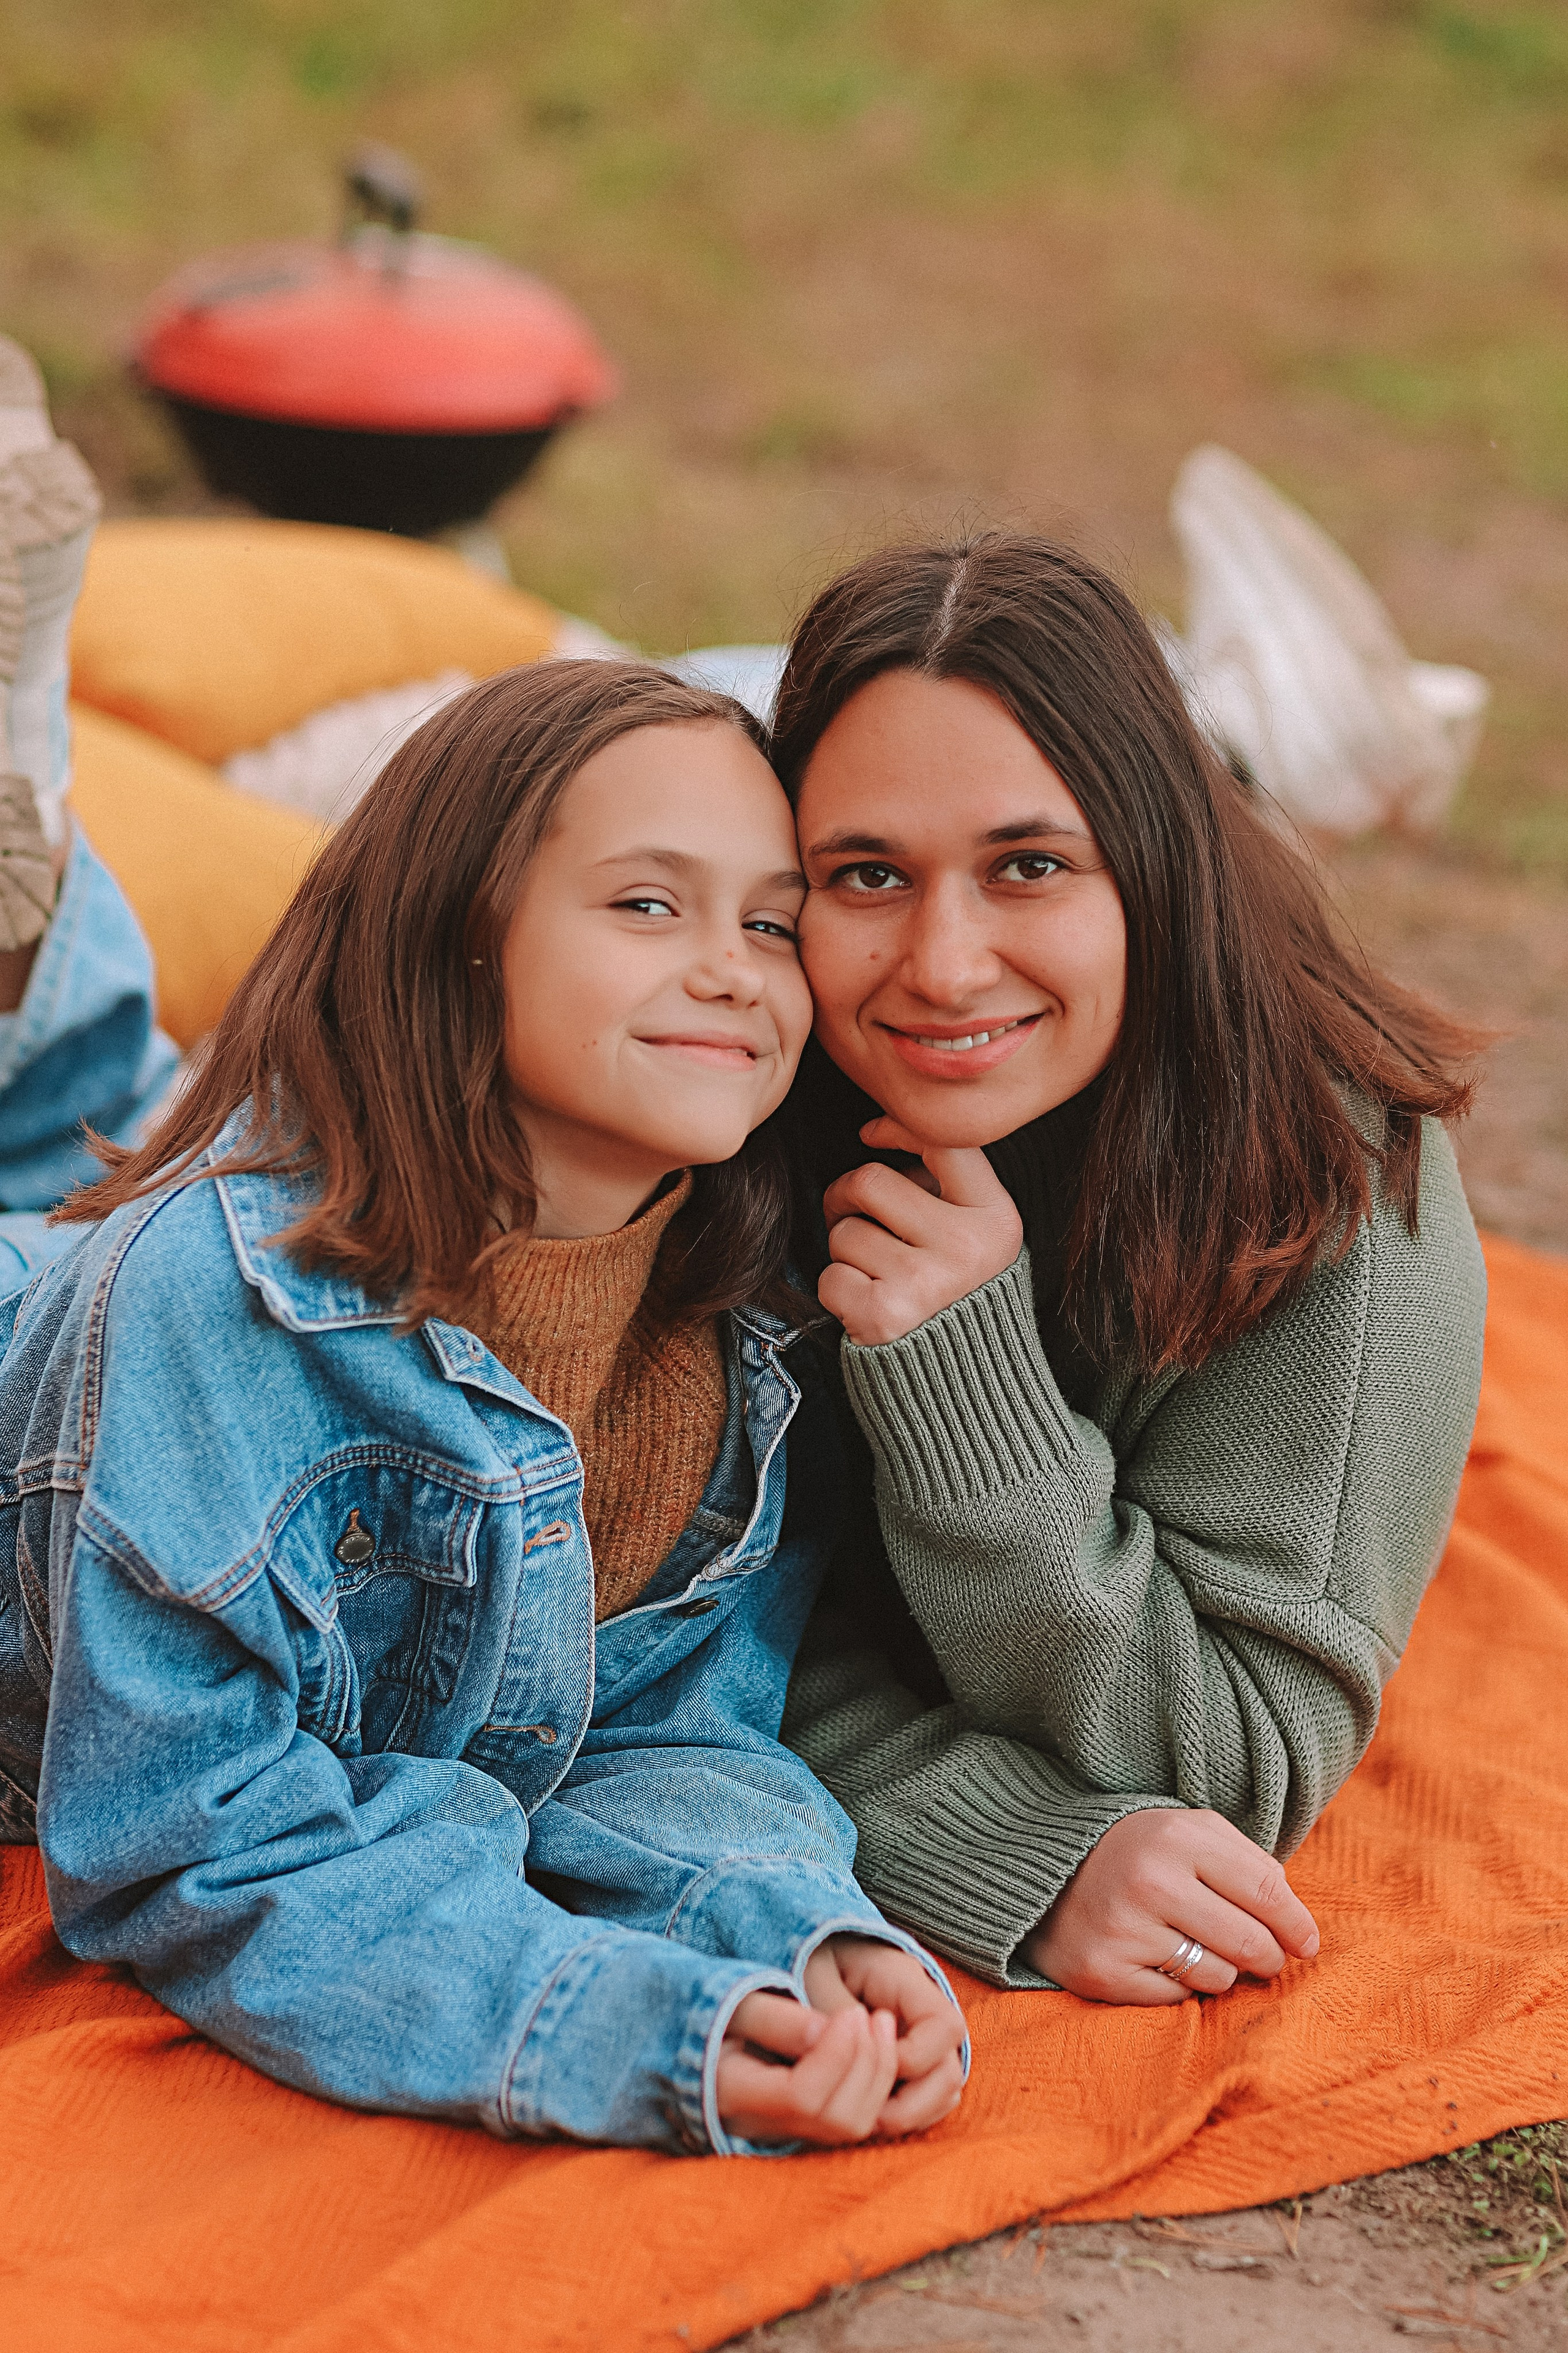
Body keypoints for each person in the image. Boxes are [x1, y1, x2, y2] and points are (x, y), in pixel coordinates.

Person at [0, 651, 967, 2154]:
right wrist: (616, 2021)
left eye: (770, 923)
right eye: (648, 903)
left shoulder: (746, 1334)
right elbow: (194, 1841)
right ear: (455, 931)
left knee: (66, 1144)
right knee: (64, 1141)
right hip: (46, 1372)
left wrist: (805, 1942)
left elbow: (653, 1721)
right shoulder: (211, 1310)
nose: (731, 968)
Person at [772, 533, 1488, 2008]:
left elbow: (1224, 1775)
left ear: (1149, 865)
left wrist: (962, 1384)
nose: (943, 964)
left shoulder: (1333, 1175)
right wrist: (1000, 1841)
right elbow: (632, 1624)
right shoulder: (739, 1064)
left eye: (1027, 866)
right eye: (864, 874)